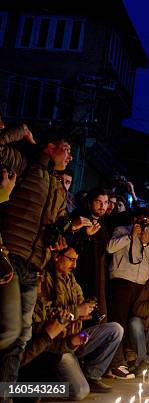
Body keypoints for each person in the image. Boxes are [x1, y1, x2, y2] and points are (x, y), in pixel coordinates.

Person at [0, 127, 78, 385]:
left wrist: (63, 229)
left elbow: (58, 221)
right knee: (8, 332)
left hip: (34, 267)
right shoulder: (25, 165)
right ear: (50, 147)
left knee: (22, 335)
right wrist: (18, 132)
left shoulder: (57, 186)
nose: (69, 157)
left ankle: (6, 392)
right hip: (10, 258)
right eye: (66, 150)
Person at [23, 247, 123, 397]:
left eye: (76, 260)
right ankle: (38, 388)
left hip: (71, 339)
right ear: (57, 257)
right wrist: (76, 312)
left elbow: (78, 303)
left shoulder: (70, 279)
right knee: (79, 391)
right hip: (56, 346)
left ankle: (91, 375)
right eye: (71, 259)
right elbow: (44, 317)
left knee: (115, 329)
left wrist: (86, 310)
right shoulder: (43, 280)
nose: (74, 265)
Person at [105, 207, 149, 378]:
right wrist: (130, 236)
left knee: (133, 323)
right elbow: (109, 248)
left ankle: (126, 360)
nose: (145, 224)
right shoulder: (122, 230)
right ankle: (115, 364)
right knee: (118, 322)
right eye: (142, 220)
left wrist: (147, 243)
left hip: (140, 285)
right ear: (135, 219)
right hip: (121, 281)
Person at [69, 188, 111, 319]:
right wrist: (86, 235)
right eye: (98, 202)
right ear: (90, 202)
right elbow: (70, 245)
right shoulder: (79, 218)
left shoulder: (104, 225)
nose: (102, 206)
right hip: (76, 269)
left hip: (95, 272)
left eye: (105, 202)